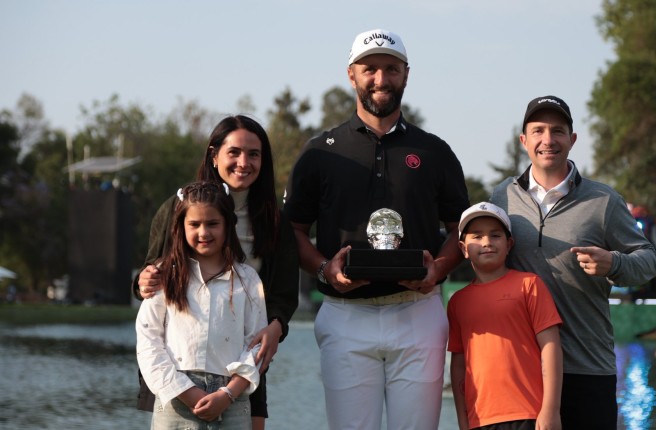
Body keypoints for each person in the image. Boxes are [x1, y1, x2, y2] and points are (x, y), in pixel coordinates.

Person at [283, 28, 470, 429]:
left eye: (391, 69)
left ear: (406, 74)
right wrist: (323, 269)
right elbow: (292, 230)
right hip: (345, 315)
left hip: (418, 314)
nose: (381, 79)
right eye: (370, 69)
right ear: (351, 75)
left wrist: (438, 268)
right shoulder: (320, 151)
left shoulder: (435, 151)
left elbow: (462, 230)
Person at [490, 95, 656, 430]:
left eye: (557, 131)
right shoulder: (502, 197)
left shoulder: (604, 200)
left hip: (587, 368)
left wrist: (614, 263)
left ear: (572, 139)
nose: (547, 140)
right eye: (538, 131)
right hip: (521, 370)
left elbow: (649, 259)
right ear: (524, 140)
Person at [134, 115, 299, 429]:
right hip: (178, 361)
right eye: (234, 152)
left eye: (254, 154)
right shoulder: (177, 207)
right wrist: (141, 281)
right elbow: (154, 270)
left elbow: (284, 293)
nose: (243, 162)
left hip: (242, 362)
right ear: (214, 155)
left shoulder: (274, 222)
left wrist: (277, 326)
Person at [136, 181, 267, 429]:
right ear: (180, 227)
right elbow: (148, 339)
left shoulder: (248, 280)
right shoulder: (165, 275)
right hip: (176, 398)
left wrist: (228, 393)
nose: (204, 232)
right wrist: (186, 391)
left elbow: (257, 344)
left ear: (228, 225)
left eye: (213, 224)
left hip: (233, 400)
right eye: (194, 224)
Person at [448, 202, 563, 430]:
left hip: (529, 414)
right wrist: (463, 421)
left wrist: (550, 410)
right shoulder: (457, 302)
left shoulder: (529, 285)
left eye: (495, 235)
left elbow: (551, 347)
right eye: (477, 236)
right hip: (479, 420)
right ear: (463, 248)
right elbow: (459, 365)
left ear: (509, 244)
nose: (487, 243)